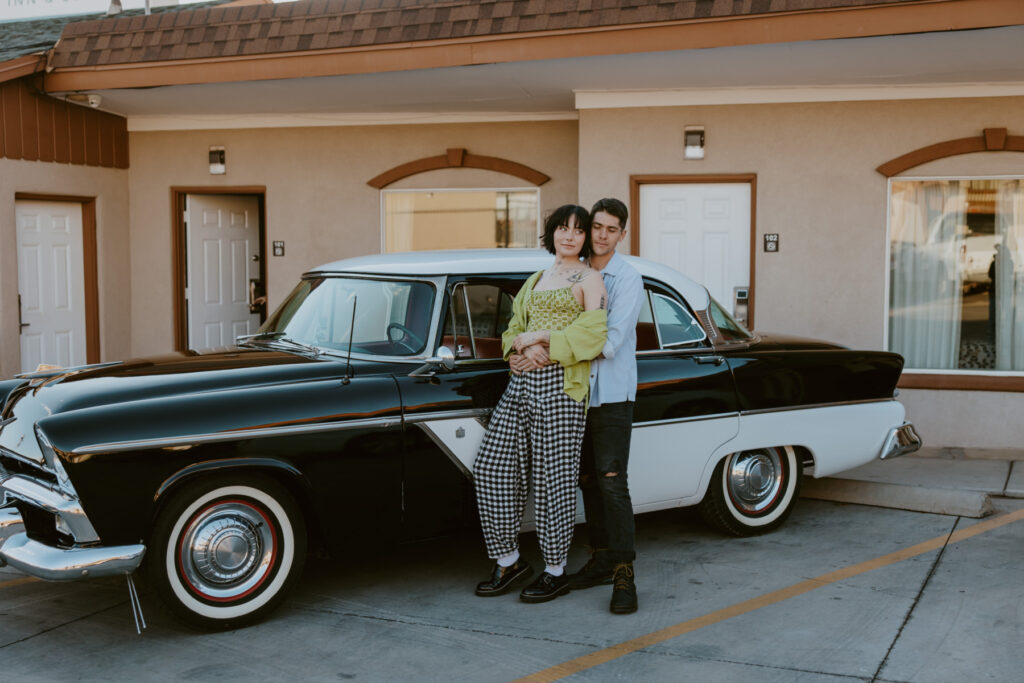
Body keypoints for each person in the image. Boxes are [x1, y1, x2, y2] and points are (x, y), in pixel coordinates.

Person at [474, 204, 608, 604]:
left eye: (578, 230)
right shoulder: (536, 279)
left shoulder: (590, 277)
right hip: (520, 383)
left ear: (586, 238)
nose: (570, 236)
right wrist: (513, 353)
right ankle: (509, 559)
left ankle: (555, 570)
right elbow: (514, 329)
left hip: (562, 386)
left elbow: (594, 333)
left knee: (554, 478)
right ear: (550, 234)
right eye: (562, 229)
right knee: (492, 466)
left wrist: (545, 344)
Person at [567, 198, 645, 614]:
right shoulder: (572, 271)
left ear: (622, 233)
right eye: (596, 226)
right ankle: (600, 558)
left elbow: (611, 341)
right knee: (587, 479)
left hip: (613, 394)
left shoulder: (628, 278)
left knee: (613, 481)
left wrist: (555, 346)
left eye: (610, 229)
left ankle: (624, 573)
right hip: (576, 394)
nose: (600, 235)